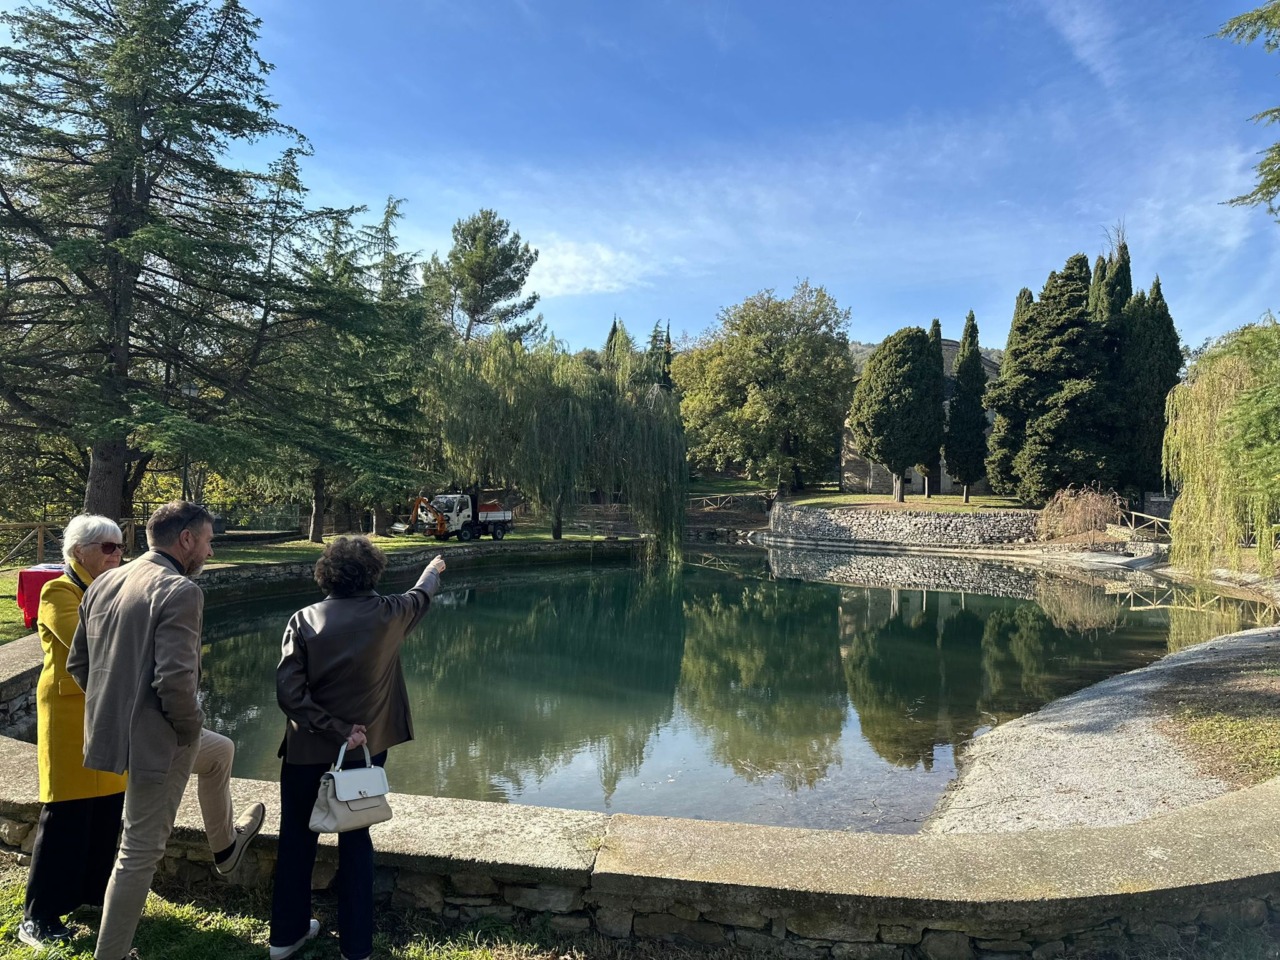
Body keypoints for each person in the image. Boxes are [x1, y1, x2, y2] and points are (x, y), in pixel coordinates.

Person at [66, 501, 266, 960]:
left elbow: (80, 664)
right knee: (138, 851)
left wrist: (116, 710)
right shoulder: (180, 590)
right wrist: (187, 727)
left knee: (220, 752)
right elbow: (175, 681)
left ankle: (226, 849)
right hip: (163, 741)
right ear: (187, 540)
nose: (211, 552)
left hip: (114, 733)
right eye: (210, 541)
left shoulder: (105, 583)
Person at [269, 538, 446, 960]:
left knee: (295, 839)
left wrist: (332, 728)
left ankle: (285, 937)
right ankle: (357, 947)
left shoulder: (303, 619)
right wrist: (434, 570)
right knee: (356, 841)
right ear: (373, 572)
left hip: (305, 751)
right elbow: (421, 595)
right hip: (362, 753)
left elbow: (289, 695)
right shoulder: (390, 614)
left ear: (326, 574)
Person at [18, 515, 129, 951]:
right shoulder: (58, 591)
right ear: (79, 551)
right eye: (107, 547)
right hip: (69, 716)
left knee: (106, 812)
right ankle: (39, 914)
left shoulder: (109, 587)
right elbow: (89, 641)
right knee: (64, 814)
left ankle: (92, 895)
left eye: (120, 547)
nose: (117, 555)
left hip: (106, 714)